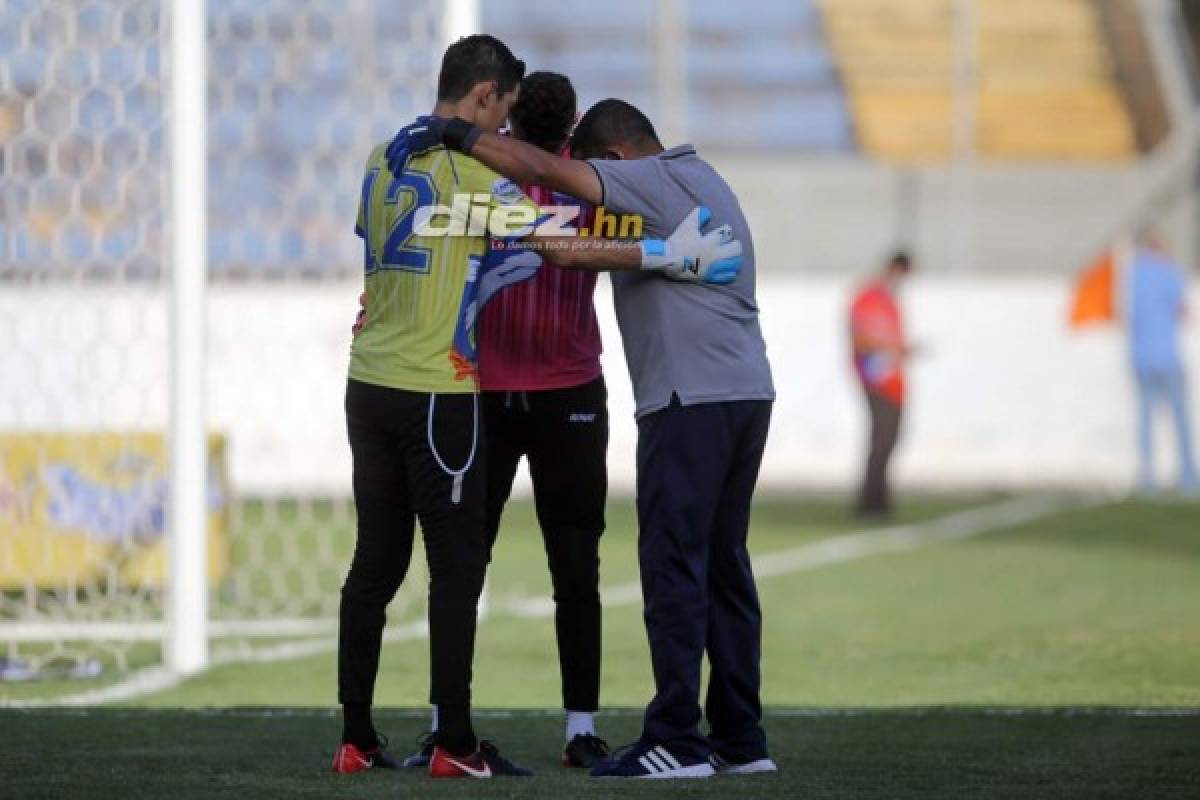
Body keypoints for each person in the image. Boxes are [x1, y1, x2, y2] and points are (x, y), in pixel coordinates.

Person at [334, 36, 743, 780]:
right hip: (452, 387)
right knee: (471, 566)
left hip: (395, 381)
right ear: (491, 102)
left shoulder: (382, 157)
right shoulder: (493, 181)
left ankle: (367, 735)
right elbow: (564, 243)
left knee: (392, 562)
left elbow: (376, 246)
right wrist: (676, 256)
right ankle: (454, 738)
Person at [398, 71, 612, 771]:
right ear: (573, 123)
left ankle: (442, 725)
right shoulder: (591, 184)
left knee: (462, 567)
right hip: (565, 395)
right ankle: (580, 729)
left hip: (483, 393)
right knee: (575, 568)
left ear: (512, 121)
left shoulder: (483, 172)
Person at [1128, 232, 1197, 493]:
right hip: (1167, 356)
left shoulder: (1133, 273)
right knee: (1180, 419)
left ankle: (1148, 479)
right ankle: (1189, 477)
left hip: (1140, 357)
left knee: (1146, 420)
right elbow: (1183, 311)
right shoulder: (1168, 271)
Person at [849, 251, 913, 517]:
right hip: (876, 380)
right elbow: (862, 340)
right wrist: (893, 347)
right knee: (882, 439)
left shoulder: (890, 302)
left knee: (889, 439)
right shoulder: (869, 298)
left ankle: (879, 496)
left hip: (893, 380)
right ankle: (871, 501)